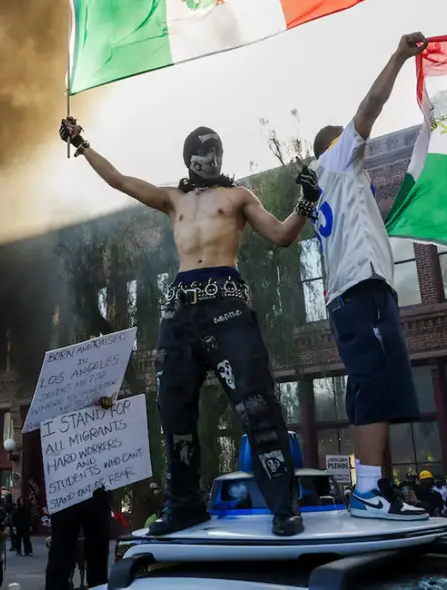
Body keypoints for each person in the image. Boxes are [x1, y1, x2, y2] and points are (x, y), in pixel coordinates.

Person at [60, 109, 313, 537]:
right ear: (187, 157)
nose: (206, 157)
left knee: (255, 402)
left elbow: (282, 235)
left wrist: (306, 203)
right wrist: (82, 144)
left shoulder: (238, 197)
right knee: (173, 410)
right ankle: (183, 506)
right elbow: (119, 181)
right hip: (179, 309)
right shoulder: (172, 199)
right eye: (199, 150)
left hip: (227, 303)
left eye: (212, 149)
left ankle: (284, 506)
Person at [303, 32, 430, 521]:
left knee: (373, 387)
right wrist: (398, 56)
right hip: (361, 288)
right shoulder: (337, 158)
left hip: (356, 291)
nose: (363, 142)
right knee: (376, 384)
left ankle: (380, 487)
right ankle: (367, 490)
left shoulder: (329, 185)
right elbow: (372, 105)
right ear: (337, 144)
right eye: (351, 137)